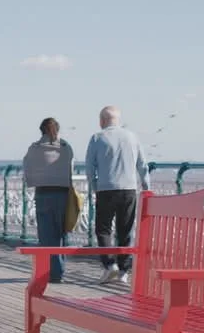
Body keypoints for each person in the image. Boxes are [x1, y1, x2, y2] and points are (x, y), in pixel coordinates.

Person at [85, 105, 150, 286]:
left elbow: (90, 167)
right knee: (125, 230)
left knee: (103, 229)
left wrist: (94, 186)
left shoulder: (97, 138)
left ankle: (109, 265)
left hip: (106, 189)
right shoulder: (132, 137)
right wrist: (146, 187)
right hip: (129, 189)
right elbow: (142, 164)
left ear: (102, 120)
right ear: (118, 119)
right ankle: (123, 271)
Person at [22, 117, 75, 283]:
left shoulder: (34, 148)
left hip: (43, 193)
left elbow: (27, 169)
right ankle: (59, 271)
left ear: (41, 131)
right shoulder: (66, 147)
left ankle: (51, 272)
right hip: (63, 194)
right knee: (61, 234)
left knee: (46, 235)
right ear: (57, 130)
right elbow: (71, 169)